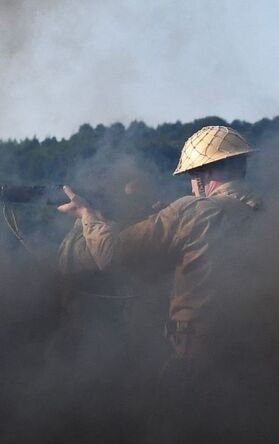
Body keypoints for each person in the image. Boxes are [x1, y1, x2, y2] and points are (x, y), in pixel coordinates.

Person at [57, 125, 261, 372]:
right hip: (252, 353)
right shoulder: (264, 214)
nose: (191, 187)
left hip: (198, 358)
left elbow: (110, 255)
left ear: (203, 175)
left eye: (191, 178)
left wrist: (86, 214)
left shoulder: (192, 210)